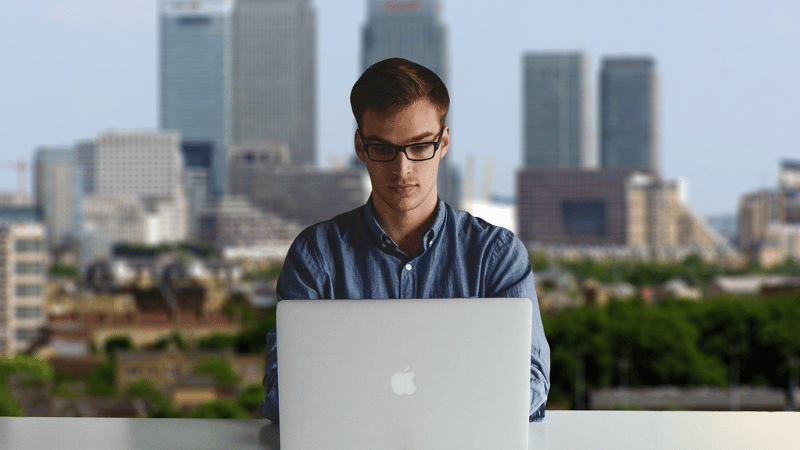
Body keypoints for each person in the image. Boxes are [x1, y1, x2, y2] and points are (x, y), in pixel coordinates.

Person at [260, 57, 550, 422]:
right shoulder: (315, 255)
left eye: (419, 146)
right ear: (360, 147)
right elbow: (282, 390)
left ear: (443, 142)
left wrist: (387, 411)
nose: (403, 169)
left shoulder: (497, 255)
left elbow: (532, 382)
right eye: (383, 148)